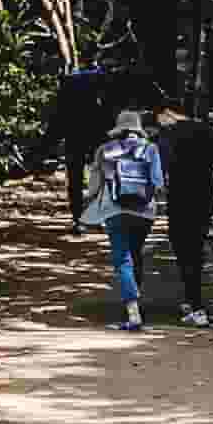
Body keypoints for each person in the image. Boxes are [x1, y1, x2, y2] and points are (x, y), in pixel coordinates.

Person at [153, 100, 213, 325]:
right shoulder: (207, 131)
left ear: (168, 113)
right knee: (196, 251)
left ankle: (196, 306)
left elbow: (160, 167)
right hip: (204, 199)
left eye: (159, 117)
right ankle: (193, 301)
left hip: (179, 200)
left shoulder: (168, 135)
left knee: (183, 252)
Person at [89, 109, 165, 331]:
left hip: (114, 210)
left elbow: (94, 186)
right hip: (144, 212)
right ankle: (135, 303)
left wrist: (87, 204)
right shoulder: (150, 149)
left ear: (118, 129)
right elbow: (158, 182)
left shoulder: (104, 150)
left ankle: (132, 311)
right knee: (135, 253)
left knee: (123, 258)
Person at [36, 51, 121, 229]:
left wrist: (49, 142)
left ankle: (80, 218)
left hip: (78, 135)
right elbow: (112, 112)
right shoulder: (108, 80)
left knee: (77, 177)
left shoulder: (70, 81)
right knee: (99, 175)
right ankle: (93, 216)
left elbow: (58, 116)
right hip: (96, 135)